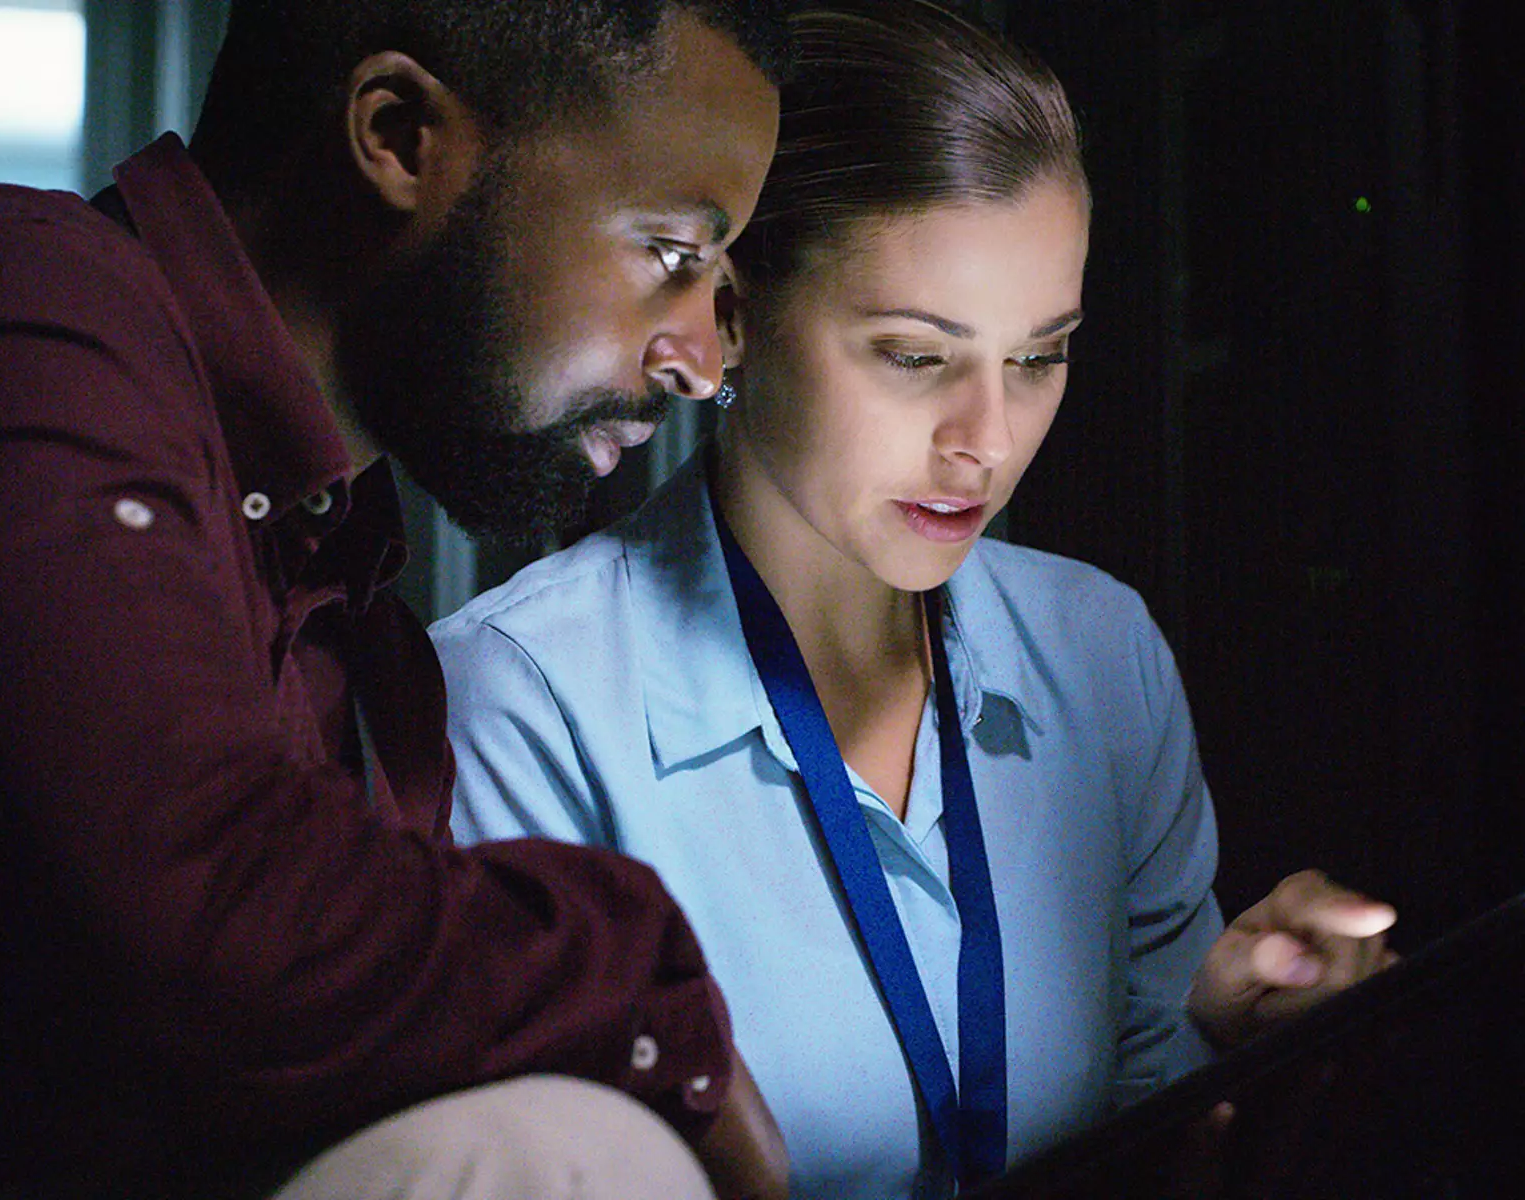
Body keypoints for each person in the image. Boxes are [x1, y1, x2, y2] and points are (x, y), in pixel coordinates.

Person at [0, 2, 798, 1198]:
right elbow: (199, 930)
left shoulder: (359, 624)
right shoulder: (6, 304)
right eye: (672, 255)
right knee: (560, 1159)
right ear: (396, 135)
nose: (697, 358)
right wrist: (643, 982)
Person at [433, 3, 1397, 1197]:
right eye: (912, 355)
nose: (985, 443)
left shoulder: (1099, 654)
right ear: (730, 318)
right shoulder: (520, 702)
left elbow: (1146, 1145)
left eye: (1038, 355)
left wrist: (1231, 1039)